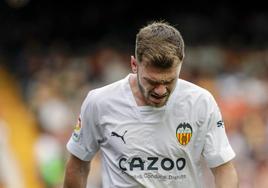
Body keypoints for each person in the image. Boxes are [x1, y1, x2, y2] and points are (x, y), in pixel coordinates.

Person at [63, 21, 238, 188]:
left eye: (169, 81)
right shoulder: (99, 102)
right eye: (152, 81)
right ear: (134, 64)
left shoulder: (201, 102)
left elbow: (223, 169)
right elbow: (78, 163)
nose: (161, 90)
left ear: (181, 64)